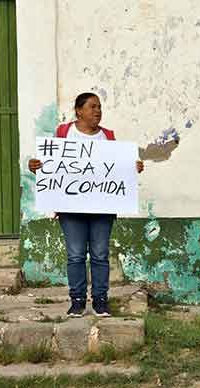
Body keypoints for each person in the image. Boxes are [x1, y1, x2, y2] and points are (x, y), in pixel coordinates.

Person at [28, 92, 144, 317]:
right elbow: (50, 165)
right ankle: (78, 300)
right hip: (71, 209)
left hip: (102, 208)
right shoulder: (63, 133)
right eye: (92, 107)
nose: (97, 111)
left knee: (100, 254)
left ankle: (100, 300)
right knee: (75, 255)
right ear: (78, 111)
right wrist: (36, 166)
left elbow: (116, 168)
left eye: (99, 107)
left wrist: (132, 168)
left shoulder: (108, 137)